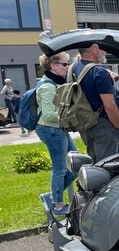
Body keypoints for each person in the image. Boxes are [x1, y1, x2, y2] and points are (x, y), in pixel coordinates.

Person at [35, 52, 79, 216]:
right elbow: (48, 115)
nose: (67, 67)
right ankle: (58, 206)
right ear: (53, 66)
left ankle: (54, 196)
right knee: (60, 169)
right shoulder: (47, 87)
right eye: (64, 64)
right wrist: (69, 118)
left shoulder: (53, 83)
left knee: (76, 165)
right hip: (51, 130)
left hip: (58, 129)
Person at [71, 43, 119, 162]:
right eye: (103, 49)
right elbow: (110, 105)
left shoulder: (72, 68)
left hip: (85, 123)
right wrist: (117, 127)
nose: (105, 52)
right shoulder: (99, 71)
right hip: (103, 125)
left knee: (95, 163)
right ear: (93, 48)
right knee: (107, 167)